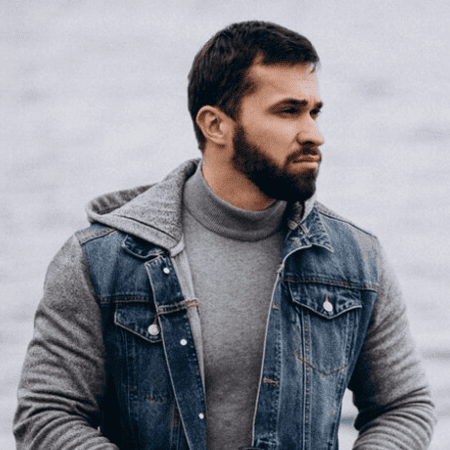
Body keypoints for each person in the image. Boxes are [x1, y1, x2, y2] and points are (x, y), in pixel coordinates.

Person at [14, 21, 435, 450]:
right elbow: (47, 415)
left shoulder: (356, 259)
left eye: (314, 112)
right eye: (288, 111)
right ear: (215, 125)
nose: (314, 133)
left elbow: (403, 406)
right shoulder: (100, 261)